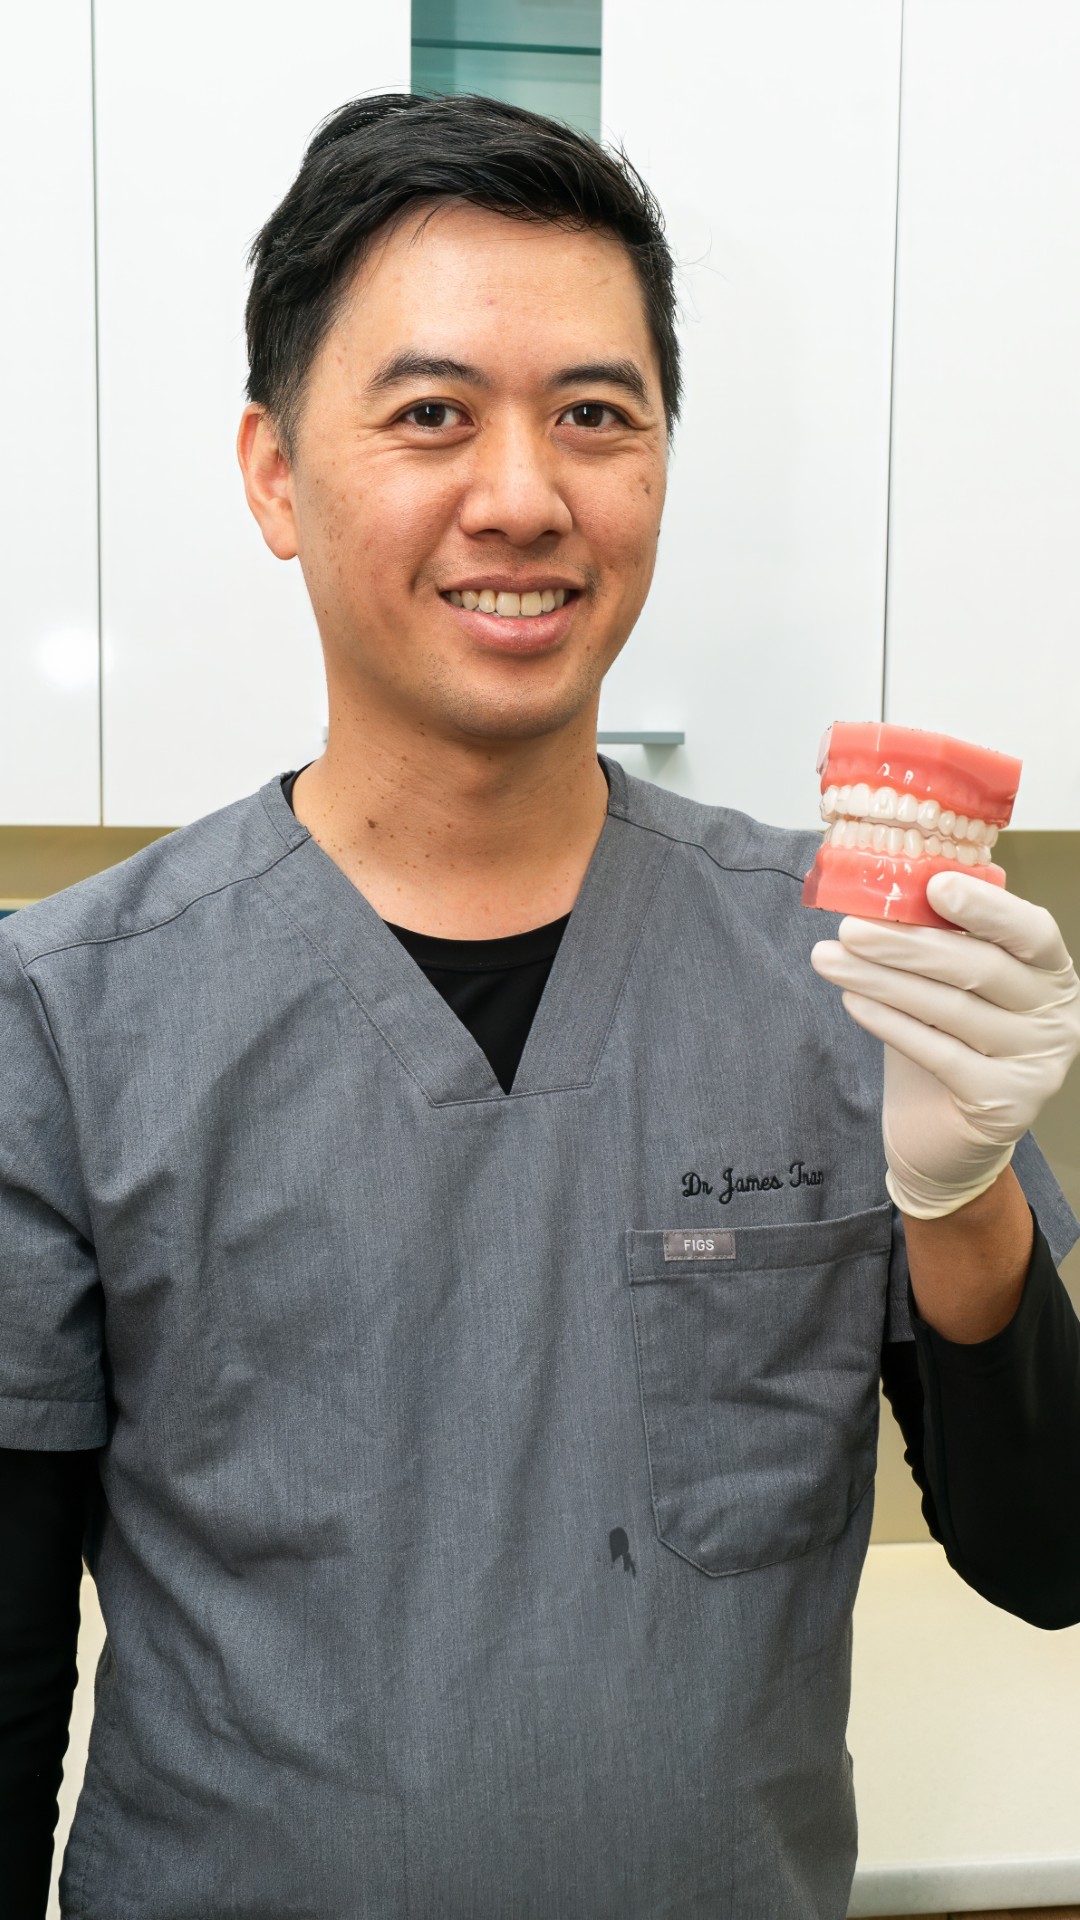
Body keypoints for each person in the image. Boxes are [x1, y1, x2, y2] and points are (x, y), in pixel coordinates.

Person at [1, 91, 1079, 1920]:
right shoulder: (64, 1021)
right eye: (431, 414)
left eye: (598, 415)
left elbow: (1048, 1558)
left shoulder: (841, 971)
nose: (525, 494)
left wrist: (963, 1188)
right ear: (273, 472)